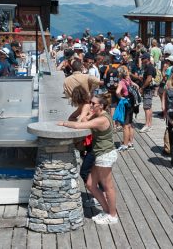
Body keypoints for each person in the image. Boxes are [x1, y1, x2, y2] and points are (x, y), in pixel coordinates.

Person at [59, 94, 119, 225]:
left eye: (93, 103)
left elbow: (78, 126)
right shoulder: (98, 114)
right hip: (99, 154)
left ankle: (113, 215)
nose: (91, 105)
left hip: (105, 154)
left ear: (101, 106)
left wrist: (63, 123)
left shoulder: (102, 119)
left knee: (108, 187)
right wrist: (84, 111)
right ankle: (107, 211)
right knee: (90, 184)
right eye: (90, 103)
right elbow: (83, 118)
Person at [115, 66, 138, 152]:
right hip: (132, 102)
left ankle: (124, 144)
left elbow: (117, 92)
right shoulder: (128, 80)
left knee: (125, 125)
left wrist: (121, 98)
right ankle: (130, 143)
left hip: (126, 103)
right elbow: (137, 86)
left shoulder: (121, 82)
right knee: (130, 124)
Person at [139, 53, 156, 133]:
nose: (141, 60)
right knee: (149, 107)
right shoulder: (148, 67)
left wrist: (142, 88)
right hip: (149, 89)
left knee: (146, 107)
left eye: (143, 59)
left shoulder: (149, 67)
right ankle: (150, 124)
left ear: (147, 59)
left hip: (148, 89)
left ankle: (147, 125)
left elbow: (149, 79)